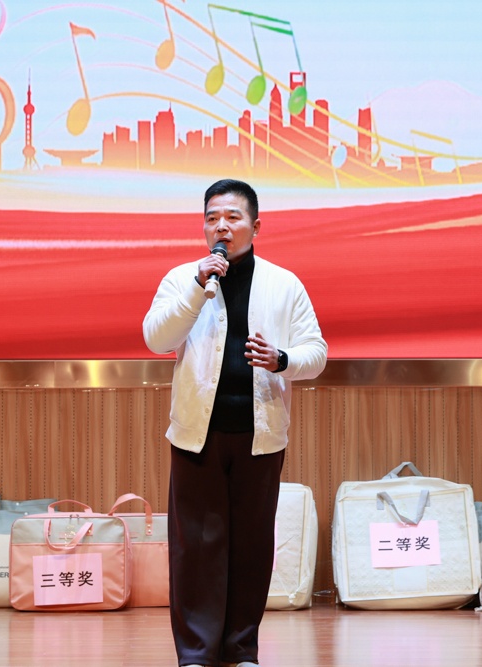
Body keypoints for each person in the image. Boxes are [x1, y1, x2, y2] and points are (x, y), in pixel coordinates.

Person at [143, 179, 327, 667]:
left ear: (255, 226)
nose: (220, 227)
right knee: (195, 549)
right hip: (196, 435)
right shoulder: (184, 278)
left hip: (259, 436)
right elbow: (156, 338)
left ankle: (241, 650)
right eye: (211, 218)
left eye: (232, 217)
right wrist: (196, 287)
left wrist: (282, 359)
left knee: (251, 547)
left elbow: (317, 352)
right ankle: (196, 655)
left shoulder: (284, 284)